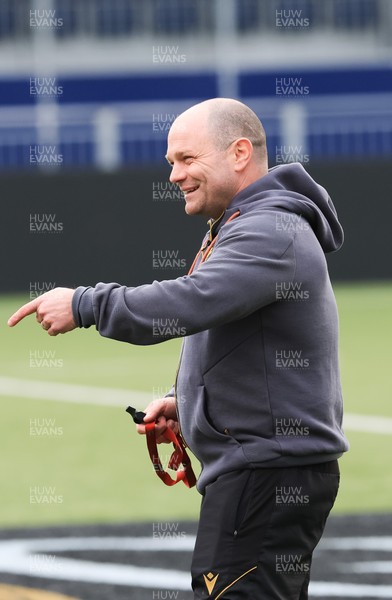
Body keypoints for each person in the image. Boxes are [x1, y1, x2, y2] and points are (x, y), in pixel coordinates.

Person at [8, 98, 349, 599]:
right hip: (263, 467)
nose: (174, 175)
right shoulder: (247, 224)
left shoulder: (269, 229)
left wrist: (85, 303)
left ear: (238, 153)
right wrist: (186, 400)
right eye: (171, 162)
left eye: (187, 159)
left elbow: (192, 301)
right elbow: (231, 327)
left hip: (267, 471)